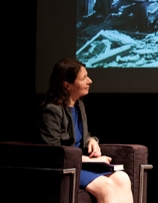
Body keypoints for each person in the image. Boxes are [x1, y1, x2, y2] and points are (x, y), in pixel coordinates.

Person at [37, 58, 133, 203]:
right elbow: (54, 152)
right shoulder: (51, 110)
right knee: (106, 186)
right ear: (67, 85)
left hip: (81, 165)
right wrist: (90, 160)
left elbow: (81, 135)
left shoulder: (78, 105)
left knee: (123, 178)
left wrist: (91, 140)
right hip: (67, 168)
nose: (90, 81)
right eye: (83, 78)